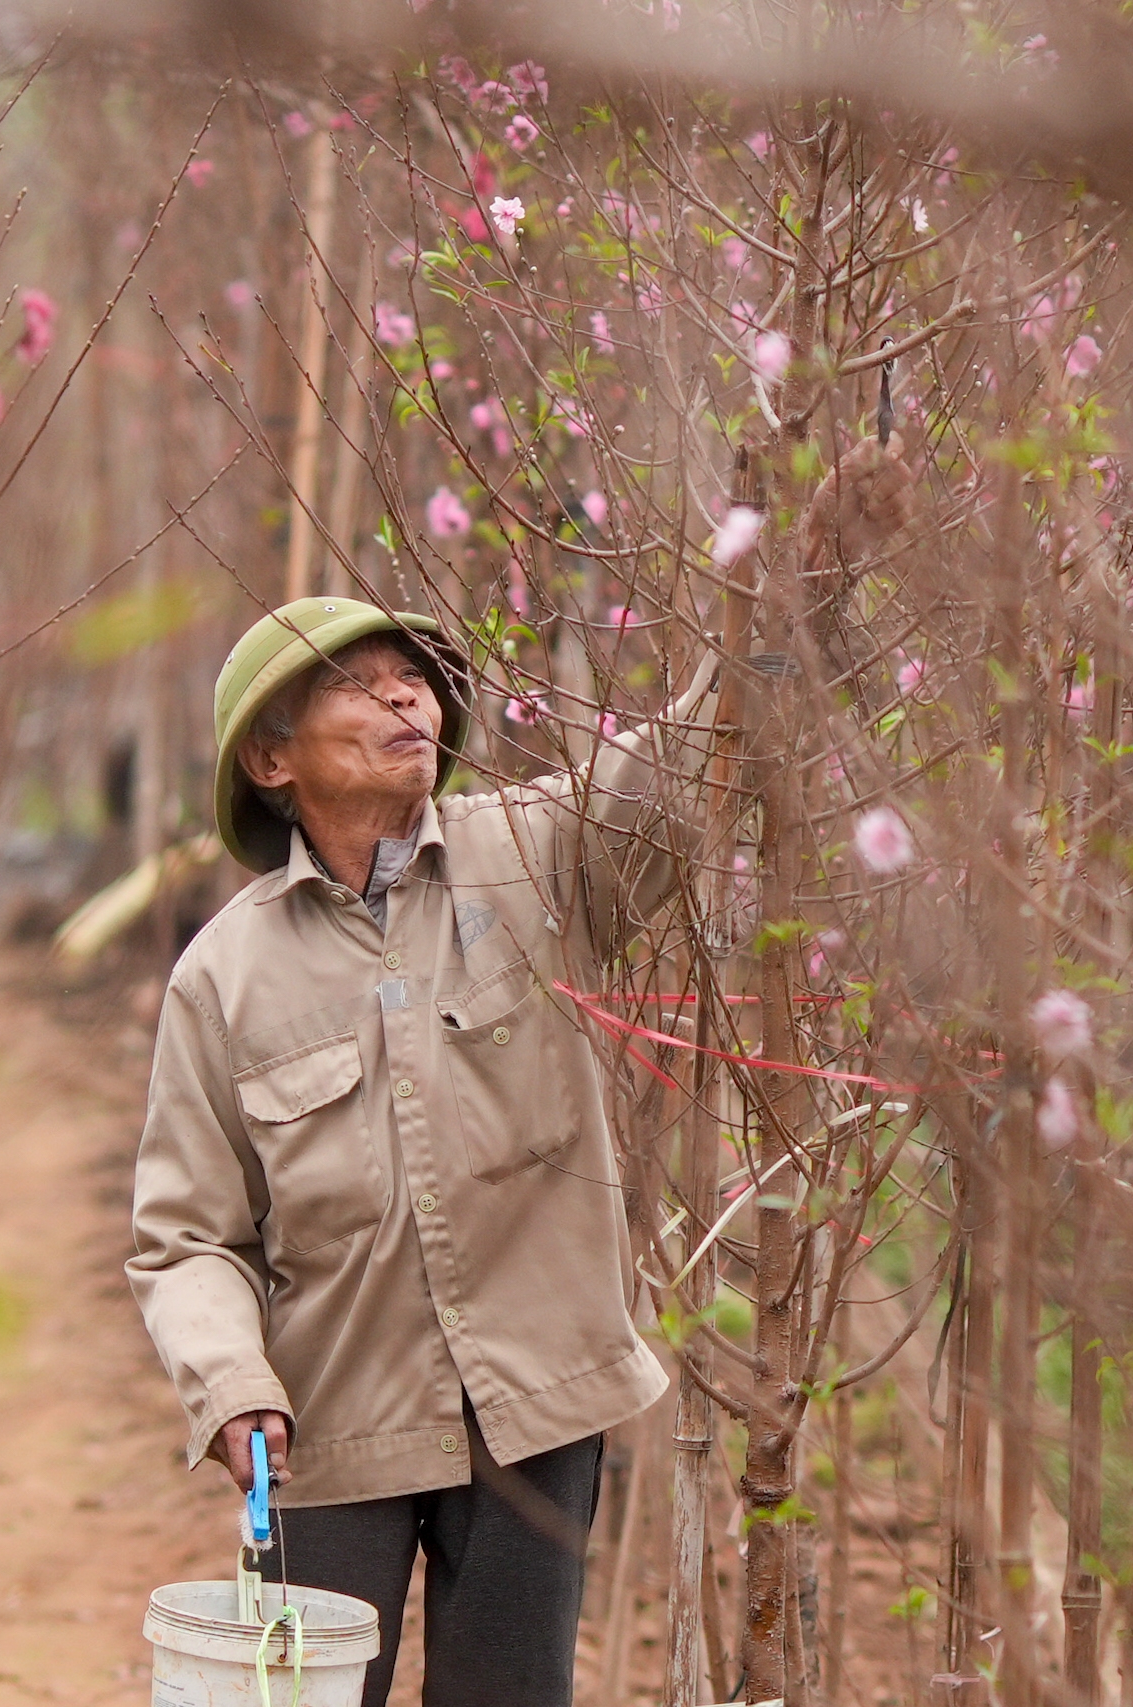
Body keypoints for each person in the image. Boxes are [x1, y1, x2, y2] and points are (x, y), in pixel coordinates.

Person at [127, 597, 719, 1707]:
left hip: (538, 1401)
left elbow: (679, 773)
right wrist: (231, 1386)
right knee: (303, 1697)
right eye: (359, 682)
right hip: (332, 1427)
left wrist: (779, 607)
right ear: (270, 756)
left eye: (415, 676)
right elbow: (187, 1238)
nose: (406, 694)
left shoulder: (539, 850)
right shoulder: (224, 976)